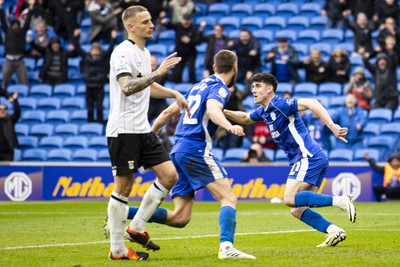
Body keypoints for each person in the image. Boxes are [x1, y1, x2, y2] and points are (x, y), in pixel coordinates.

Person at [105, 50, 256, 260]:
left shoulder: (197, 87)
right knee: (228, 198)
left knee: (180, 218)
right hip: (195, 149)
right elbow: (213, 111)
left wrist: (149, 136)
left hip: (178, 150)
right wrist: (229, 127)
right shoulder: (220, 89)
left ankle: (121, 214)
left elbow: (167, 114)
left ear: (213, 67)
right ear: (235, 68)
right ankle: (227, 247)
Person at [224, 73, 356, 247]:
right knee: (297, 209)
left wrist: (331, 126)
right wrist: (220, 111)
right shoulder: (263, 111)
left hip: (307, 156)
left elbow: (312, 103)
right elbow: (244, 118)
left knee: (289, 198)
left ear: (269, 88)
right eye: (252, 86)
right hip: (312, 158)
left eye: (257, 86)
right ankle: (334, 231)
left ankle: (341, 201)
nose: (253, 90)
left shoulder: (280, 104)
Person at [105, 5, 190, 261]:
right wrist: (158, 72)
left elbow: (146, 87)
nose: (151, 25)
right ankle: (117, 249)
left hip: (142, 129)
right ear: (130, 26)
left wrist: (173, 92)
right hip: (124, 130)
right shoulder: (122, 52)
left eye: (151, 20)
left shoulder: (144, 52)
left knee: (169, 175)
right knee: (124, 187)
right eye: (145, 22)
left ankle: (137, 227)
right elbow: (128, 86)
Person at [76, 30, 116, 122]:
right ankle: (90, 121)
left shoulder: (103, 58)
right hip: (89, 85)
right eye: (93, 49)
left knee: (99, 106)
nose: (95, 52)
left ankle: (99, 121)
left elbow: (110, 49)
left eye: (96, 50)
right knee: (89, 106)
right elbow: (78, 48)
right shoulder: (86, 57)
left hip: (99, 86)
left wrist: (113, 38)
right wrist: (76, 37)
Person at [0, 0, 33, 88]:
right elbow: (3, 20)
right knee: (4, 83)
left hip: (19, 60)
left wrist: (31, 8)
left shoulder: (22, 32)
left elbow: (28, 22)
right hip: (9, 60)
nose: (15, 27)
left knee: (24, 83)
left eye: (17, 25)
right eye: (13, 25)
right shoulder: (7, 32)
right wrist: (0, 8)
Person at [0, 89, 20, 161]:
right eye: (0, 109)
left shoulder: (10, 120)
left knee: (6, 170)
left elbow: (17, 113)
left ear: (7, 111)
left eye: (4, 109)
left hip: (7, 152)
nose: (2, 111)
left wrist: (15, 100)